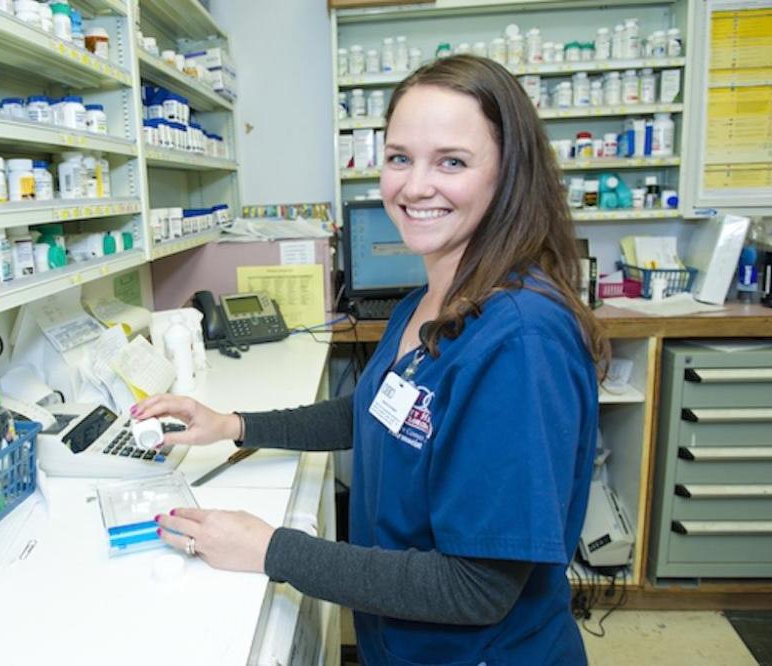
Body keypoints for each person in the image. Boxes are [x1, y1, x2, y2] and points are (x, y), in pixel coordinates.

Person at [134, 54, 609, 665]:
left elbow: (477, 588)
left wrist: (273, 549)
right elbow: (376, 411)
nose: (414, 186)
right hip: (406, 641)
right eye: (400, 157)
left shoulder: (519, 340)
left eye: (452, 162)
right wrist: (234, 425)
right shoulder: (430, 300)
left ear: (509, 174)